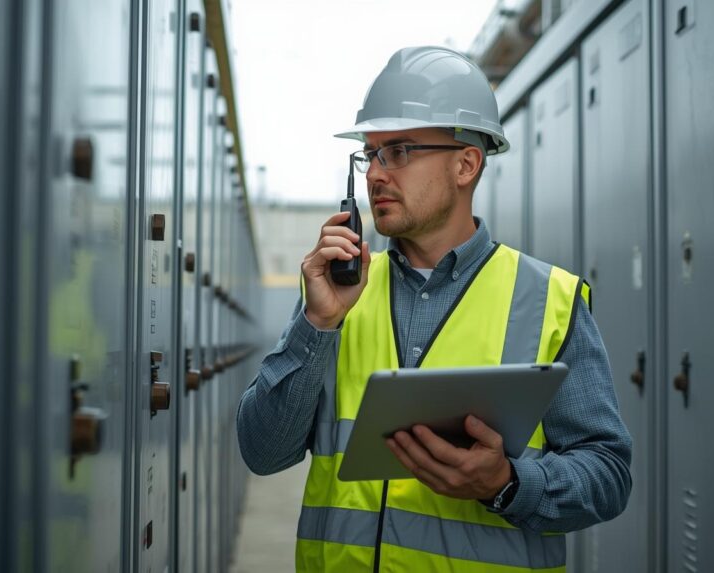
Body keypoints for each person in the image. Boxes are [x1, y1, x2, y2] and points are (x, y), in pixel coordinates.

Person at [237, 46, 631, 572]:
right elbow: (264, 452)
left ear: (466, 164)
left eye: (398, 151)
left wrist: (508, 484)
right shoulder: (335, 294)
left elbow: (607, 476)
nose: (376, 174)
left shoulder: (549, 300)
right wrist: (317, 323)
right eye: (369, 154)